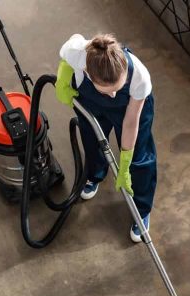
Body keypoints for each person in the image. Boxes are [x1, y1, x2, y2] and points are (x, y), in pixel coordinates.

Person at [55, 33, 157, 243]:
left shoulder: (140, 78)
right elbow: (65, 55)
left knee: (139, 155)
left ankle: (141, 209)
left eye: (116, 89)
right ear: (87, 72)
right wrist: (63, 80)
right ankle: (95, 174)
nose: (112, 95)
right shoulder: (77, 53)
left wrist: (125, 163)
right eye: (108, 91)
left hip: (129, 109)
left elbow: (130, 123)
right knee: (91, 137)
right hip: (91, 101)